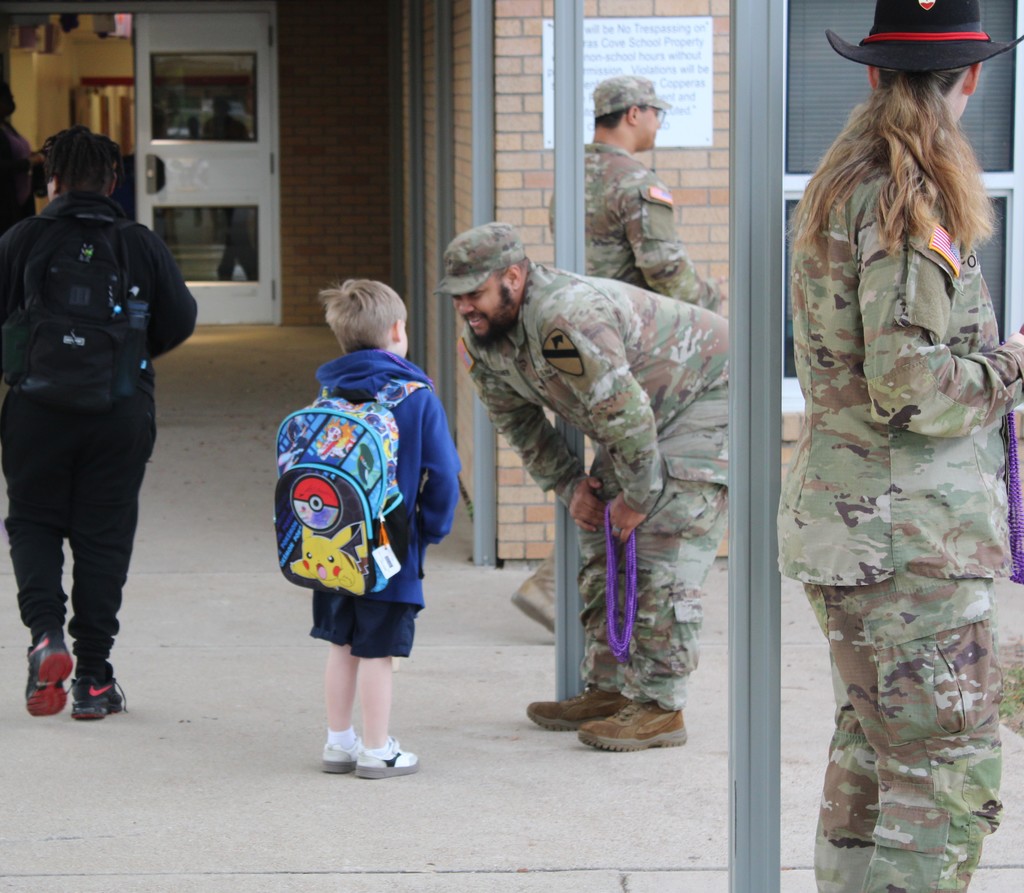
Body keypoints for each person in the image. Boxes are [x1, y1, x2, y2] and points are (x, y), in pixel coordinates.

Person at [777, 2, 1024, 889]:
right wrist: (1010, 366)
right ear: (971, 80)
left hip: (853, 535)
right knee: (942, 778)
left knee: (872, 758)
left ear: (873, 75)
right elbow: (910, 385)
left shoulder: (843, 184)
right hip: (909, 544)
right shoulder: (908, 198)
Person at [438, 222, 727, 752]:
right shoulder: (482, 343)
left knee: (662, 546)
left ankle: (662, 708)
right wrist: (572, 486)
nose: (464, 307)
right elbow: (519, 424)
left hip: (707, 399)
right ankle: (611, 690)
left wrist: (639, 500)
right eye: (457, 297)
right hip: (638, 419)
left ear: (513, 277)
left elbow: (625, 411)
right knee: (599, 539)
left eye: (474, 294)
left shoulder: (566, 317)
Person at [515, 74, 730, 630]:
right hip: (633, 341)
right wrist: (714, 308)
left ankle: (571, 591)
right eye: (656, 113)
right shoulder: (636, 182)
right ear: (633, 114)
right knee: (628, 469)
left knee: (611, 466)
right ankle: (558, 590)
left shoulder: (574, 176)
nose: (658, 123)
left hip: (575, 337)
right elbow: (666, 272)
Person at [1, 126, 197, 719]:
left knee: (32, 521)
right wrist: (128, 354)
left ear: (51, 181)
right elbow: (180, 319)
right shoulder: (138, 243)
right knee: (102, 537)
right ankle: (92, 678)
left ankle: (44, 634)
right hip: (118, 411)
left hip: (34, 410)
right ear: (113, 181)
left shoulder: (21, 240)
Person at [311, 279, 460, 778]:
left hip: (331, 543)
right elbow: (442, 474)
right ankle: (377, 749)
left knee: (342, 642)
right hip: (390, 547)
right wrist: (430, 531)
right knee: (379, 649)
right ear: (398, 330)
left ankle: (338, 743)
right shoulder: (416, 397)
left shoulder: (329, 391)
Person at [0, 82, 43, 236]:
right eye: (8, 99)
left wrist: (36, 156)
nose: (12, 102)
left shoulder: (6, 126)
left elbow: (15, 153)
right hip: (5, 205)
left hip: (20, 203)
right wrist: (28, 163)